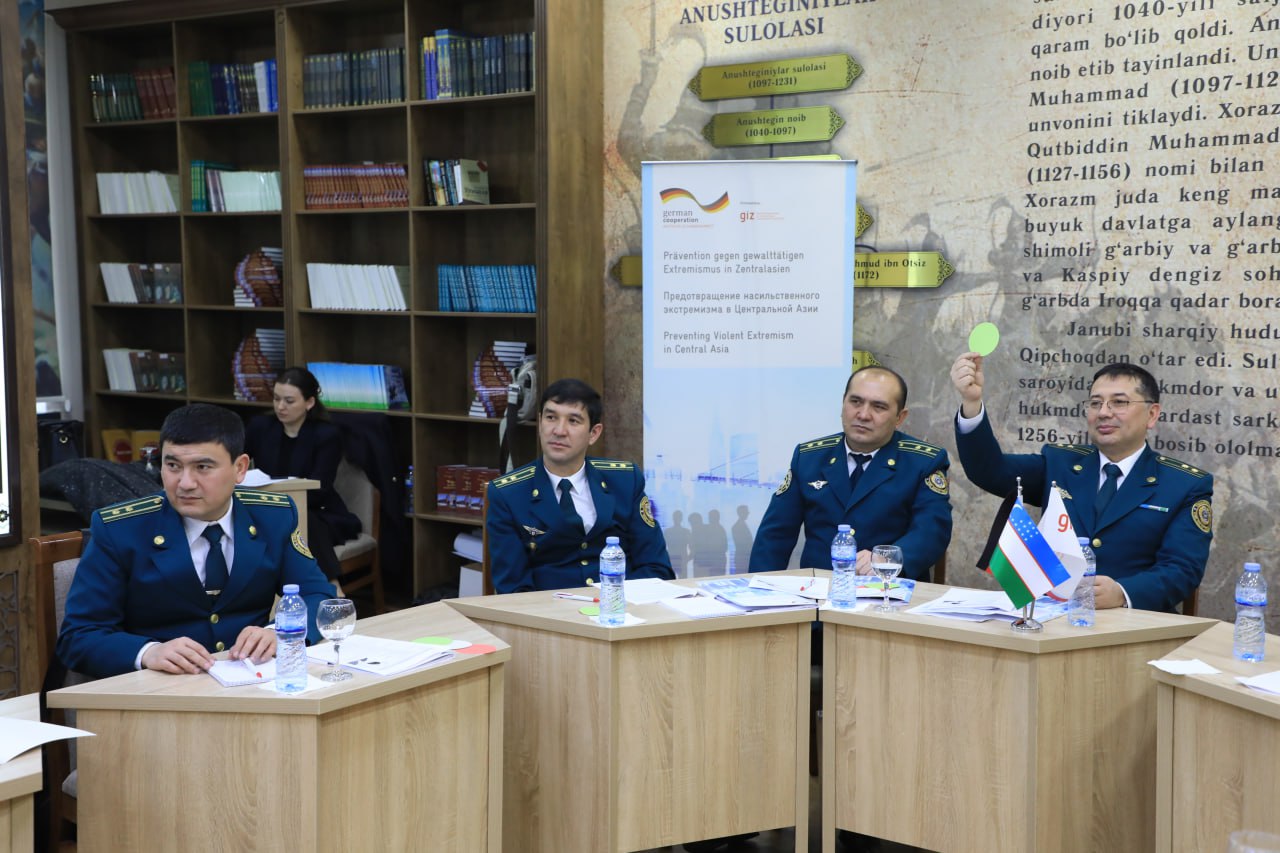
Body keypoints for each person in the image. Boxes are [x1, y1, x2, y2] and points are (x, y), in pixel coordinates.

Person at [57, 403, 335, 679]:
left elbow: (317, 596)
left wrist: (278, 632)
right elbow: (78, 636)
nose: (185, 483)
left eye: (203, 467)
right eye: (173, 466)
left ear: (240, 468)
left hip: (251, 681)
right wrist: (148, 652)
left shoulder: (273, 517)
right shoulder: (121, 529)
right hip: (159, 688)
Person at [950, 354, 1213, 612]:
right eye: (1095, 403)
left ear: (1152, 414)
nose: (1104, 413)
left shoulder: (1183, 485)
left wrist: (1123, 593)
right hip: (1054, 617)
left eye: (1119, 402)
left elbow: (1182, 570)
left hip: (1133, 622)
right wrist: (972, 403)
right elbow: (990, 471)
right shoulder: (1060, 463)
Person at [749, 366, 953, 580]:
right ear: (843, 403)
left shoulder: (923, 461)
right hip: (819, 590)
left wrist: (889, 559)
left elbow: (931, 531)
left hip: (888, 590)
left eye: (879, 407)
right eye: (855, 402)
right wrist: (759, 590)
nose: (863, 415)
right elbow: (775, 534)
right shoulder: (809, 457)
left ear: (899, 417)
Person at [485, 378, 674, 593]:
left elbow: (657, 569)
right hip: (550, 610)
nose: (559, 430)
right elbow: (513, 589)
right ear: (540, 423)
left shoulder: (625, 481)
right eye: (551, 417)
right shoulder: (508, 494)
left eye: (573, 421)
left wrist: (609, 603)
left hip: (621, 607)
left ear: (594, 433)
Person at [244, 366, 361, 580]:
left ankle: (331, 586)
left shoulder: (326, 435)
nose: (280, 406)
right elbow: (237, 463)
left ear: (309, 402)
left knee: (302, 523)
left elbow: (320, 489)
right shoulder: (260, 427)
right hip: (264, 508)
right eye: (276, 399)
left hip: (317, 510)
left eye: (289, 401)